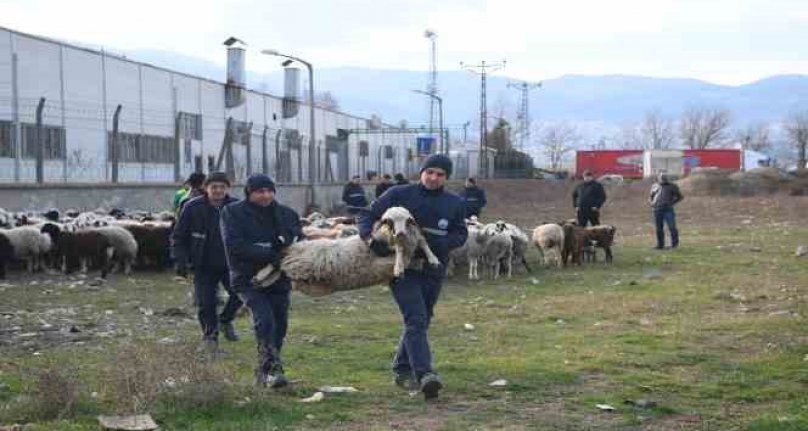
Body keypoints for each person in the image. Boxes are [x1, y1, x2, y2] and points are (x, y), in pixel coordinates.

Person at [358, 154, 468, 400]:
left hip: (433, 267)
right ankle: (425, 374)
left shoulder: (454, 203)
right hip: (401, 268)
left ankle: (401, 367)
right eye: (430, 172)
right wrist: (370, 239)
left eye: (440, 174)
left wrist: (444, 243)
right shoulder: (399, 194)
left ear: (446, 178)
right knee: (416, 317)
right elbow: (366, 214)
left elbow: (461, 232)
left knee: (423, 318)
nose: (433, 178)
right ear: (422, 172)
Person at [220, 174, 303, 388]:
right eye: (260, 191)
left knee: (280, 324)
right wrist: (270, 253)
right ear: (249, 192)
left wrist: (286, 240)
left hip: (279, 278)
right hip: (248, 278)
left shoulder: (287, 214)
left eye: (269, 191)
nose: (266, 195)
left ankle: (264, 370)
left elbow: (297, 237)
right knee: (264, 321)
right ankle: (274, 368)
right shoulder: (233, 213)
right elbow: (236, 246)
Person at [171, 172, 242, 351]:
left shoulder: (237, 207)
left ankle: (225, 320)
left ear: (228, 188)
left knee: (241, 295)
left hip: (232, 264)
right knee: (206, 302)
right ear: (206, 188)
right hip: (204, 263)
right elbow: (179, 236)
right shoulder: (192, 207)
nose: (218, 190)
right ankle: (210, 337)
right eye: (214, 187)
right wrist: (180, 261)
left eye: (222, 187)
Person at [649, 172, 684, 249]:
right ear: (658, 178)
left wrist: (671, 203)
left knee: (672, 227)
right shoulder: (655, 186)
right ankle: (660, 245)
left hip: (668, 209)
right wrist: (651, 203)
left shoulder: (672, 186)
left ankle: (674, 245)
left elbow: (680, 197)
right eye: (661, 177)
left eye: (664, 177)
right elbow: (651, 196)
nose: (662, 179)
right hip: (657, 209)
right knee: (659, 228)